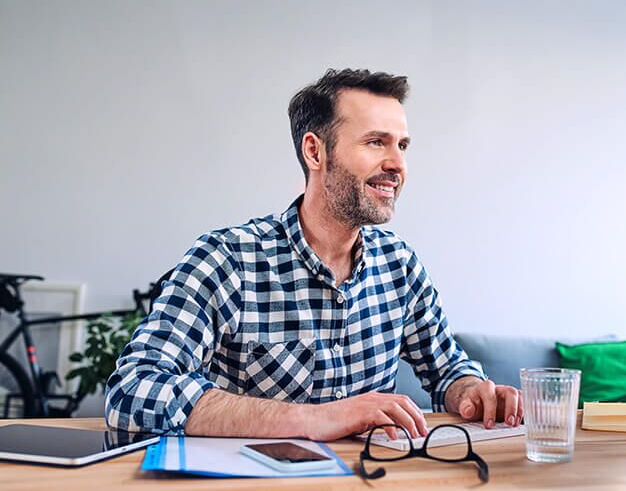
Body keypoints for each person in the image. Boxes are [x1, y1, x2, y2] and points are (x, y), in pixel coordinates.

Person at [105, 68, 523, 440]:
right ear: (315, 152)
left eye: (403, 145)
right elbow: (133, 390)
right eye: (376, 142)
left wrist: (472, 392)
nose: (397, 164)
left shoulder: (401, 267)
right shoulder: (227, 260)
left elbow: (447, 367)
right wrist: (314, 419)